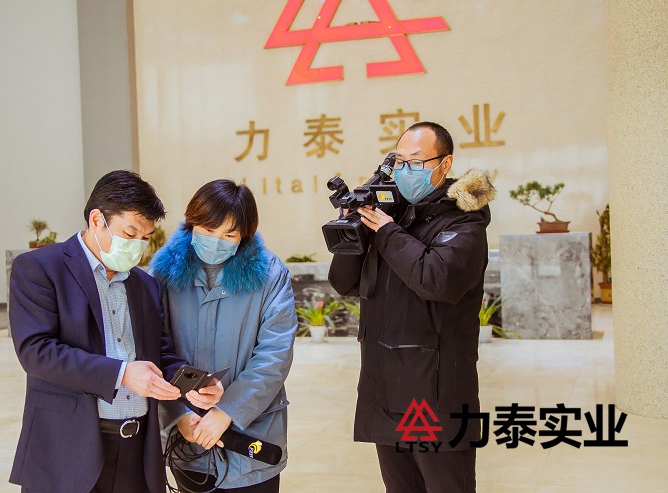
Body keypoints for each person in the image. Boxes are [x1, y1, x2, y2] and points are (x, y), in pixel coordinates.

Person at [8, 170, 223, 493]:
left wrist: (195, 386)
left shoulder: (145, 285)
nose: (136, 246)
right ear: (97, 220)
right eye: (129, 233)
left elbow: (161, 354)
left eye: (145, 238)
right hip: (67, 450)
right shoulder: (40, 269)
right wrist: (121, 374)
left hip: (137, 452)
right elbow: (36, 352)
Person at [328, 122, 496, 493]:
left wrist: (387, 232)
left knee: (445, 486)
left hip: (434, 389)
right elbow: (345, 282)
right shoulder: (390, 214)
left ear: (445, 163)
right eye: (400, 162)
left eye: (416, 162)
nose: (406, 170)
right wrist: (353, 226)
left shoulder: (464, 221)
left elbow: (436, 279)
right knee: (400, 487)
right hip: (384, 385)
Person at [150, 179, 297, 492]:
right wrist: (179, 414)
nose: (216, 241)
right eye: (207, 230)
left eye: (229, 234)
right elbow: (152, 348)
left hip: (252, 439)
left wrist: (228, 410)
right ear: (192, 223)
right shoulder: (163, 273)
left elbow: (275, 354)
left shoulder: (270, 274)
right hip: (188, 441)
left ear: (245, 233)